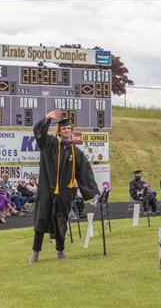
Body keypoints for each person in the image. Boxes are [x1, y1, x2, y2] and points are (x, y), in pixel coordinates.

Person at [29, 110, 99, 264]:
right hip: (47, 190)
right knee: (41, 219)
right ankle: (35, 252)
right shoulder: (50, 144)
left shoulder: (76, 152)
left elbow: (85, 172)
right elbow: (38, 132)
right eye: (64, 128)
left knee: (61, 221)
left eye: (69, 128)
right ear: (59, 130)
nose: (67, 131)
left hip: (65, 193)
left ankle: (60, 251)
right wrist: (47, 118)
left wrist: (94, 192)